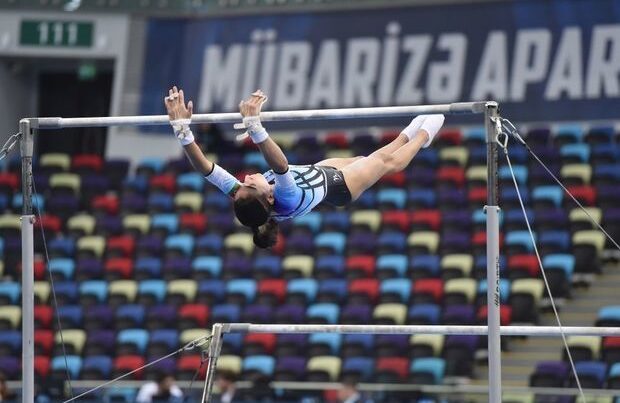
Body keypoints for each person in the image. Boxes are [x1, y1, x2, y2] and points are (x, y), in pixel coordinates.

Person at [164, 86, 444, 248]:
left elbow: (206, 169)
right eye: (250, 183)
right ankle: (423, 135)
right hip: (341, 186)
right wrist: (255, 127)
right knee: (385, 162)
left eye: (242, 185)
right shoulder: (285, 198)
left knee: (371, 157)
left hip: (320, 173)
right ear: (270, 197)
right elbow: (281, 164)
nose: (246, 177)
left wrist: (183, 132)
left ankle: (407, 133)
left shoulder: (246, 196)